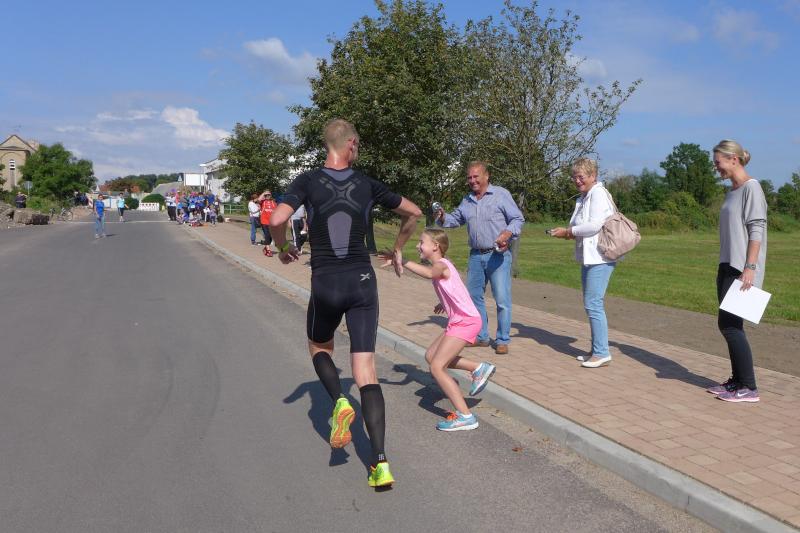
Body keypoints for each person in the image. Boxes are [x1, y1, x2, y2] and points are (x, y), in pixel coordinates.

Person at [270, 118, 422, 488]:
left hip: (326, 282)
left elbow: (277, 218)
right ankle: (380, 464)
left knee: (319, 346)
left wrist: (283, 246)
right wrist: (398, 249)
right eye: (358, 145)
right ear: (351, 143)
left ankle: (339, 400)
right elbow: (414, 212)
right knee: (365, 370)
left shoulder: (307, 181)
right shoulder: (367, 183)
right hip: (362, 283)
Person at [380, 228, 496, 431]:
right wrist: (444, 302)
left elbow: (429, 274)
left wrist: (403, 261)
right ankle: (477, 368)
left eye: (421, 242)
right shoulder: (443, 265)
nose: (418, 246)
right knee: (431, 356)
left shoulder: (441, 265)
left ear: (435, 246)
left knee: (436, 367)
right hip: (459, 320)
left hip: (466, 322)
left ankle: (466, 416)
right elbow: (454, 288)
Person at [434, 161, 524, 355]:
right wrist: (442, 217)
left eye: (476, 176)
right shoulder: (467, 200)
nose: (472, 181)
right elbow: (455, 219)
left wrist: (508, 234)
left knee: (502, 299)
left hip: (498, 255)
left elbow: (517, 218)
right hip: (476, 256)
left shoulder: (501, 195)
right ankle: (481, 336)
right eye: (469, 177)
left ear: (486, 176)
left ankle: (502, 339)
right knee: (474, 298)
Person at [706, 140, 766, 403]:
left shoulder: (752, 188)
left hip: (741, 268)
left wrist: (750, 268)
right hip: (726, 264)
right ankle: (737, 381)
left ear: (734, 159)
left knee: (730, 326)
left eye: (718, 162)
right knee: (729, 325)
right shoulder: (733, 191)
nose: (716, 167)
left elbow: (756, 229)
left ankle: (749, 387)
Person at [549, 158, 617, 368]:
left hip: (601, 258)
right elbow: (580, 225)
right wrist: (568, 233)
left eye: (581, 177)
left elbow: (595, 225)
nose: (577, 180)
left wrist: (569, 232)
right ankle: (597, 349)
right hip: (590, 258)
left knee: (593, 303)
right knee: (591, 304)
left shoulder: (598, 194)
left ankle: (602, 353)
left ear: (593, 176)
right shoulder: (584, 197)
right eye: (574, 177)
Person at [259, 190, 278, 256]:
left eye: (269, 195)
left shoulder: (274, 202)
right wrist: (264, 193)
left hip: (271, 222)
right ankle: (268, 251)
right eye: (266, 195)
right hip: (264, 221)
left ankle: (266, 247)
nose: (267, 196)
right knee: (267, 235)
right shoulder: (262, 202)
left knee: (270, 237)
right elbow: (259, 199)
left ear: (270, 195)